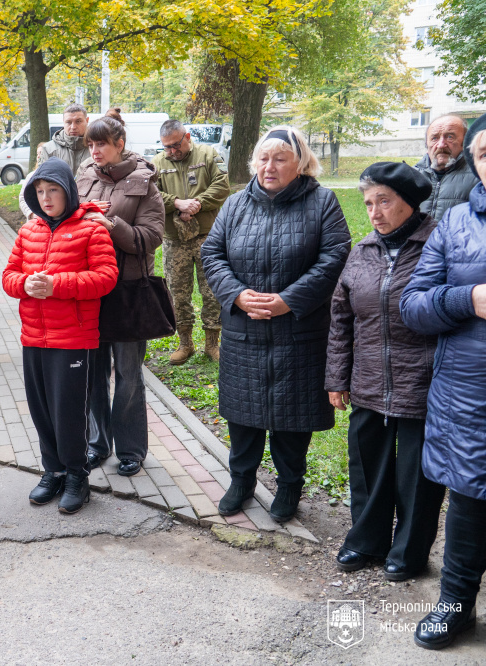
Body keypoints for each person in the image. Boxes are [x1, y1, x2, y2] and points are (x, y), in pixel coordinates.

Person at [201, 126, 351, 523]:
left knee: (292, 414)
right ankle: (241, 480)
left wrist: (290, 300)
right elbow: (212, 252)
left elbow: (335, 256)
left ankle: (289, 487)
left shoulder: (322, 202)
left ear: (300, 163)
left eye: (280, 158)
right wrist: (235, 293)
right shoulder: (235, 205)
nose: (269, 166)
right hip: (245, 329)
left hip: (297, 332)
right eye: (264, 158)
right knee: (243, 411)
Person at [326, 162, 445, 581]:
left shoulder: (439, 244)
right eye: (368, 203)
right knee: (367, 466)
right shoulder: (363, 250)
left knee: (418, 475)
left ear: (409, 203)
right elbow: (341, 317)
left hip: (423, 383)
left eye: (384, 201)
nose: (374, 212)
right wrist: (337, 377)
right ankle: (366, 540)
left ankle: (410, 552)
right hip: (369, 382)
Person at [399, 121, 486, 651]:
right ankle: (455, 605)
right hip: (469, 396)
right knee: (471, 501)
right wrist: (466, 299)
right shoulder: (454, 223)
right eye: (485, 152)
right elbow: (414, 306)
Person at [2, 159, 118, 513]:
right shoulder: (29, 231)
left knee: (69, 413)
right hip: (34, 337)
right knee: (42, 411)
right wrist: (25, 284)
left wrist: (56, 285)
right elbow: (8, 276)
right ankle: (52, 471)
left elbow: (105, 277)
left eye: (53, 190)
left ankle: (76, 476)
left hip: (74, 339)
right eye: (40, 191)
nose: (47, 197)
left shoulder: (91, 229)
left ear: (68, 190)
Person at [74, 109, 165, 477]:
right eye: (90, 144)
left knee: (128, 374)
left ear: (120, 145)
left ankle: (131, 449)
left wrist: (111, 224)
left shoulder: (146, 183)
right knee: (93, 374)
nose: (95, 151)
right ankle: (98, 444)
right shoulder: (82, 179)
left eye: (102, 144)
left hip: (127, 292)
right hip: (89, 291)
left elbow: (151, 238)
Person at [151, 119, 230, 363]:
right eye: (167, 147)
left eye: (176, 145)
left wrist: (196, 204)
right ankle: (185, 343)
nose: (172, 151)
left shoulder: (208, 155)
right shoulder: (157, 163)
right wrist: (177, 203)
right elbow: (151, 194)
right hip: (175, 240)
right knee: (178, 293)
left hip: (208, 237)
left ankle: (212, 344)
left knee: (212, 290)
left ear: (187, 137)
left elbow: (222, 185)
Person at [18, 104, 91, 218]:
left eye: (78, 121)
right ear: (63, 122)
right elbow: (41, 185)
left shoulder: (95, 148)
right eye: (68, 122)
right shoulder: (49, 149)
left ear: (87, 120)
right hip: (57, 216)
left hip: (88, 212)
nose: (73, 127)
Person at [413, 114, 478, 221]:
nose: (441, 145)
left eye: (450, 137)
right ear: (426, 144)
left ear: (465, 142)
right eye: (434, 138)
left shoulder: (479, 176)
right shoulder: (411, 177)